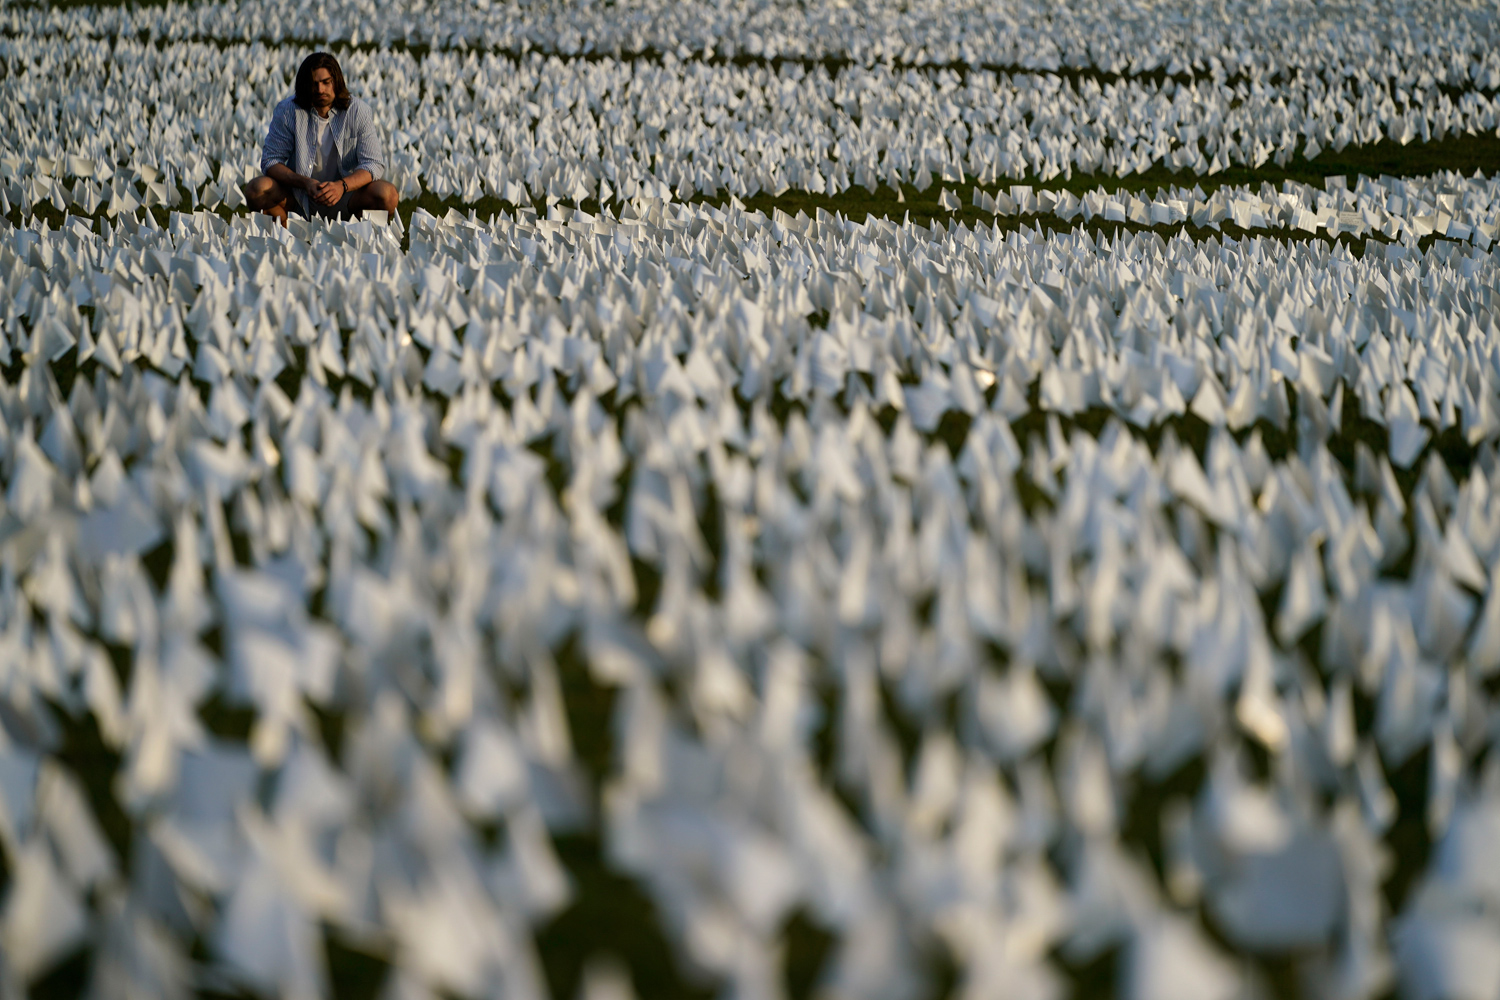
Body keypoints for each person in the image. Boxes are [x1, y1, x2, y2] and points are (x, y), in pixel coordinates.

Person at [244, 52, 399, 225]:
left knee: (388, 195)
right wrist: (305, 183)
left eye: (326, 82)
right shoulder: (288, 110)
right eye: (314, 84)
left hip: (347, 197)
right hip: (300, 197)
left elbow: (373, 164)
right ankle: (288, 238)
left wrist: (341, 186)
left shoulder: (357, 111)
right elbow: (271, 161)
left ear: (337, 81)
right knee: (257, 189)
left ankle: (357, 237)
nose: (320, 90)